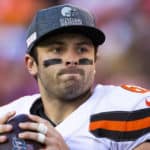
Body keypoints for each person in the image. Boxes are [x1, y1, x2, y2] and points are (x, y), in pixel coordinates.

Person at [0, 4, 150, 150]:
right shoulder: (7, 117)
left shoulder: (130, 109)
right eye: (57, 49)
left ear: (95, 59)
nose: (71, 59)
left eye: (82, 49)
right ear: (31, 64)